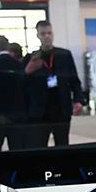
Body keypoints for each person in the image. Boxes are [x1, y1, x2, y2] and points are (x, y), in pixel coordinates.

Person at [23, 20, 84, 149]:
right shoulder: (31, 58)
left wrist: (78, 100)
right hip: (40, 112)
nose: (47, 36)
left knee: (62, 145)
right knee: (39, 146)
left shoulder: (64, 55)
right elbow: (22, 86)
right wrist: (27, 72)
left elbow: (74, 80)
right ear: (38, 35)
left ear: (53, 34)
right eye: (43, 33)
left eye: (49, 33)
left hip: (61, 109)